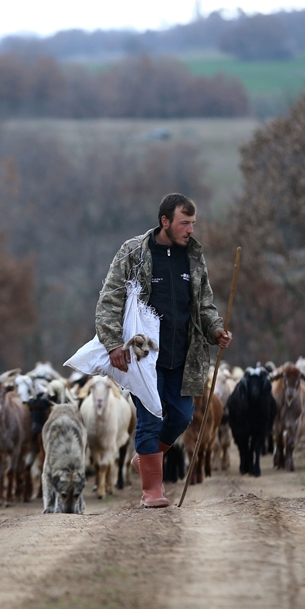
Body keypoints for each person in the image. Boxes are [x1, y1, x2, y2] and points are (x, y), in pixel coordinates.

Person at [94, 193, 232, 507]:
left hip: (183, 355)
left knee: (183, 416)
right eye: (185, 223)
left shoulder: (194, 257)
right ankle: (152, 491)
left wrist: (215, 330)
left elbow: (204, 306)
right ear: (165, 221)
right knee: (150, 416)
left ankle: (146, 456)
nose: (191, 230)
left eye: (193, 223)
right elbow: (109, 301)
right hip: (143, 354)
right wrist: (114, 343)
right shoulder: (134, 253)